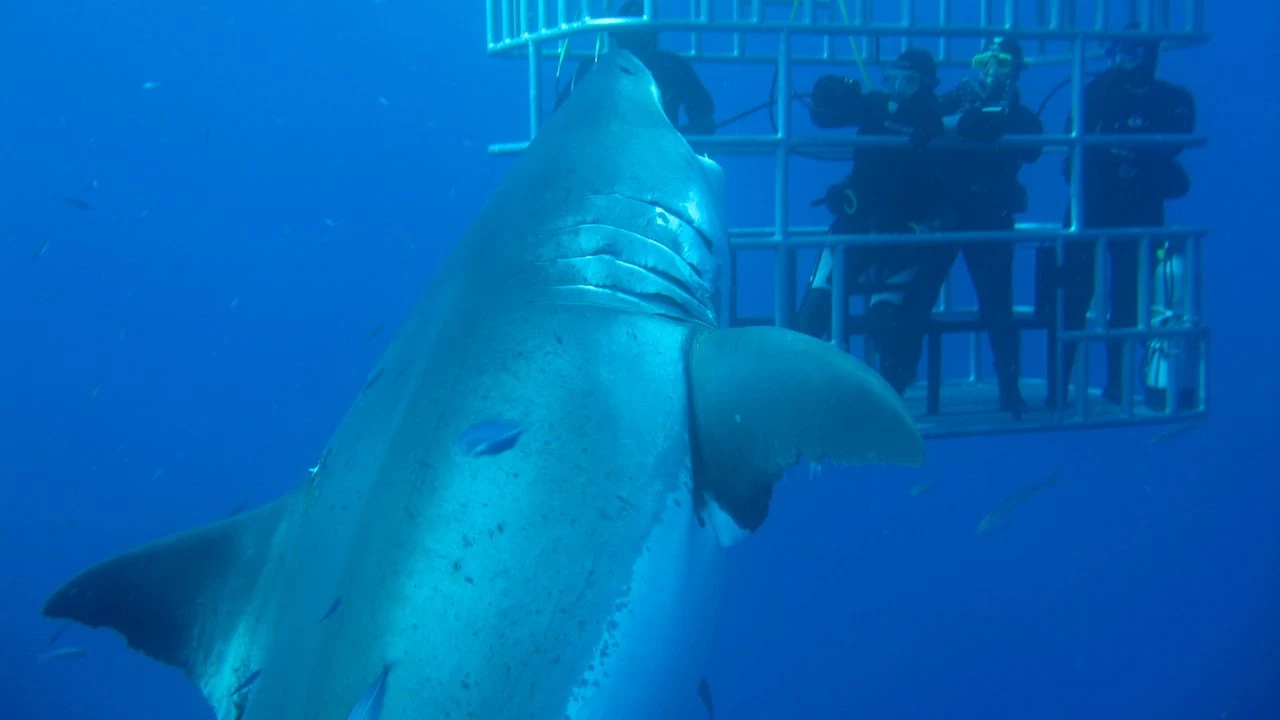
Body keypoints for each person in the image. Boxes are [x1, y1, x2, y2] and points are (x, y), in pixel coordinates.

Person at [1039, 24, 1196, 409]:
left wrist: (1128, 161)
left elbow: (1174, 156)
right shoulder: (1094, 92)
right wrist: (1134, 163)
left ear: (1151, 54)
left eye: (1130, 52)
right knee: (1072, 300)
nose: (1119, 61)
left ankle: (1119, 386)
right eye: (1115, 52)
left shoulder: (1172, 99)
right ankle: (1058, 389)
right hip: (1092, 209)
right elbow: (1074, 157)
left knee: (1129, 302)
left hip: (1136, 214)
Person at [903, 36, 1044, 417]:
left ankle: (1009, 389)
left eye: (1002, 63)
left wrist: (1000, 116)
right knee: (920, 297)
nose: (991, 70)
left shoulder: (1020, 114)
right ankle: (897, 382)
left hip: (991, 217)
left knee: (998, 305)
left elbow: (1033, 147)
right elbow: (918, 123)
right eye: (986, 61)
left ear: (1018, 69)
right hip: (946, 213)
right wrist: (962, 121)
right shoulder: (951, 100)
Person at [794, 48, 948, 395]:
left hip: (899, 237)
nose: (897, 88)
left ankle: (890, 394)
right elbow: (826, 116)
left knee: (883, 322)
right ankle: (800, 389)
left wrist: (899, 109)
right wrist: (839, 92)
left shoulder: (927, 118)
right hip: (857, 227)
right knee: (813, 315)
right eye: (891, 79)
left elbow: (932, 122)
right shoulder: (876, 109)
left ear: (926, 85)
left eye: (907, 81)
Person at [553, 1, 717, 135]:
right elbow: (704, 119)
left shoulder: (595, 66)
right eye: (634, 34)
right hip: (655, 157)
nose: (639, 39)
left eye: (642, 34)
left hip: (611, 157)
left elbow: (704, 119)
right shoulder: (672, 66)